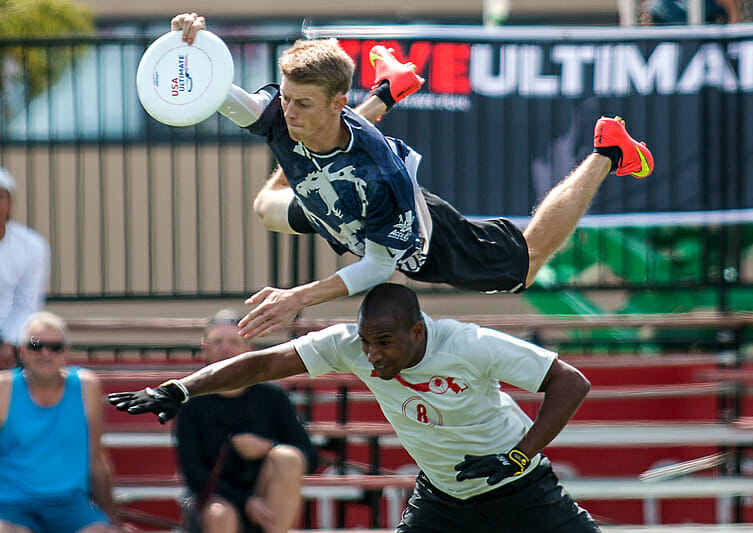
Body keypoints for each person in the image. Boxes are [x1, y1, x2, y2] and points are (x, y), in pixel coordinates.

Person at [173, 14, 654, 341]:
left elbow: (379, 268)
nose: (289, 113)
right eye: (287, 99)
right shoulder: (280, 108)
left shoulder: (382, 180)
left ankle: (607, 150)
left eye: (303, 105)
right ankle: (390, 88)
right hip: (333, 202)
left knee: (524, 266)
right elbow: (221, 94)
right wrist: (190, 45)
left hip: (412, 233)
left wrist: (298, 298)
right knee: (265, 207)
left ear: (339, 103)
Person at [110, 283, 600, 532]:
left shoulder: (471, 344)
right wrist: (181, 388)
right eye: (366, 344)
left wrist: (518, 454)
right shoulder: (352, 344)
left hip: (518, 488)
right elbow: (264, 364)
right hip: (443, 500)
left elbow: (569, 382)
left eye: (384, 343)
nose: (372, 356)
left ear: (418, 332)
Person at [176, 309, 319, 533]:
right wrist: (245, 501)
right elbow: (193, 472)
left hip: (268, 495)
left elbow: (309, 457)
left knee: (288, 457)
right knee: (220, 514)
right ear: (205, 347)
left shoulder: (272, 395)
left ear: (248, 348)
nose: (226, 348)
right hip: (217, 498)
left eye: (234, 341)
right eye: (218, 341)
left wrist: (267, 447)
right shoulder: (191, 400)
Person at [0, 311, 126, 533]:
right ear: (22, 350)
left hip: (70, 505)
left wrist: (112, 520)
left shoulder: (86, 386)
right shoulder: (4, 388)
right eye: (36, 345)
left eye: (55, 346)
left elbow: (96, 460)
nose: (45, 353)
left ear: (66, 351)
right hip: (10, 504)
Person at [0, 168, 51, 370]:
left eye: (0, 196)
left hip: (15, 341)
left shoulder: (32, 245)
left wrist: (9, 343)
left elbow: (28, 303)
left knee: (41, 344)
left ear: (10, 203)